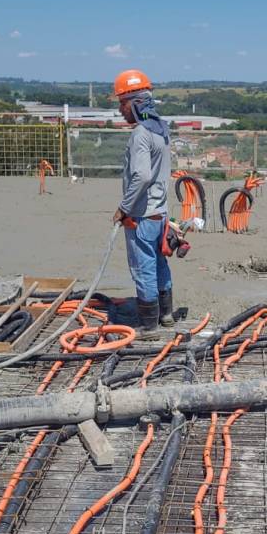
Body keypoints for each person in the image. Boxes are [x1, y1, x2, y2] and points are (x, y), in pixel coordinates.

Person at [110, 69, 174, 335]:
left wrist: (123, 208)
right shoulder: (160, 129)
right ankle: (166, 315)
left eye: (123, 104)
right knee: (160, 264)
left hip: (141, 216)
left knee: (143, 268)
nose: (121, 110)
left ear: (135, 103)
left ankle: (148, 325)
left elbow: (142, 175)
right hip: (160, 214)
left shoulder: (140, 134)